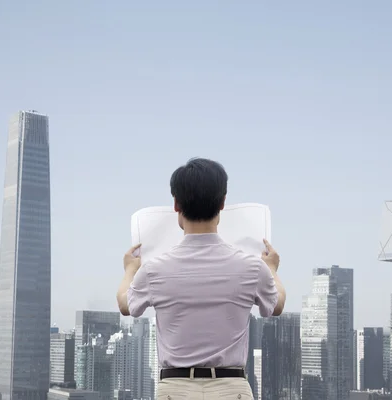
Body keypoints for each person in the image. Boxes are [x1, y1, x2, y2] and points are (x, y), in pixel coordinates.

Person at [116, 157, 286, 400]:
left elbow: (125, 305)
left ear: (176, 204)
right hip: (231, 389)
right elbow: (276, 305)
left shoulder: (154, 270)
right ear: (223, 203)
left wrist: (130, 270)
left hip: (175, 389)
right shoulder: (252, 267)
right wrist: (272, 269)